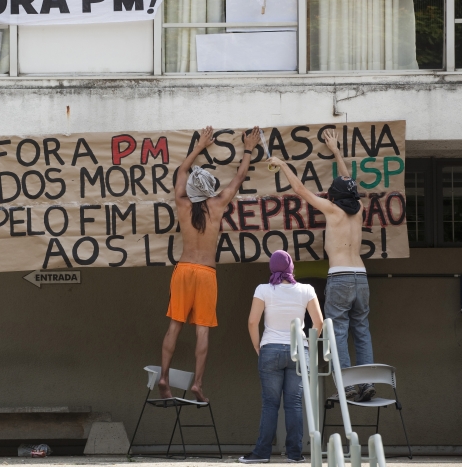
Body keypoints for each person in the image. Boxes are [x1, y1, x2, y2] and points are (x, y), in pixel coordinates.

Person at [268, 130, 376, 402]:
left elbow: (300, 190)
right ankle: (367, 382)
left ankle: (348, 385)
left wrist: (282, 165)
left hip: (339, 277)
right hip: (361, 276)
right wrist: (336, 150)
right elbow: (349, 180)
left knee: (338, 331)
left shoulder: (332, 209)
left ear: (333, 197)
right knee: (361, 330)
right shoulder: (358, 209)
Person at [158, 125, 261, 402]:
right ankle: (198, 385)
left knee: (174, 327)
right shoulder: (216, 206)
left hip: (183, 270)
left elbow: (181, 171)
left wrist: (200, 146)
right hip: (206, 274)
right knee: (202, 331)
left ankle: (164, 377)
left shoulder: (181, 203)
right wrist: (248, 148)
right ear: (209, 189)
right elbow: (239, 177)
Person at [240, 250, 324, 464]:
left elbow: (252, 322)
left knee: (270, 404)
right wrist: (310, 346)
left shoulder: (263, 290)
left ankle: (261, 453)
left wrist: (258, 347)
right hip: (299, 349)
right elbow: (319, 322)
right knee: (294, 404)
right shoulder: (306, 289)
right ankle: (295, 455)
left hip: (270, 348)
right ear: (291, 268)